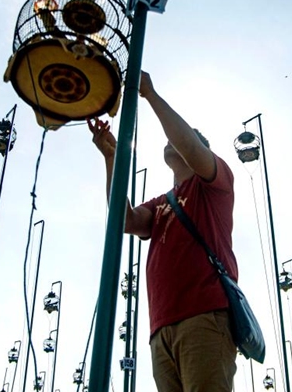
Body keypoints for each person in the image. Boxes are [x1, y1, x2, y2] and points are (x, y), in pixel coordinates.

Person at [88, 71, 238, 392]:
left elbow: (189, 145)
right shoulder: (160, 204)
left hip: (204, 317)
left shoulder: (214, 183)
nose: (171, 142)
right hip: (161, 328)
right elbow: (125, 221)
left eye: (183, 138)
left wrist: (151, 96)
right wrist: (112, 158)